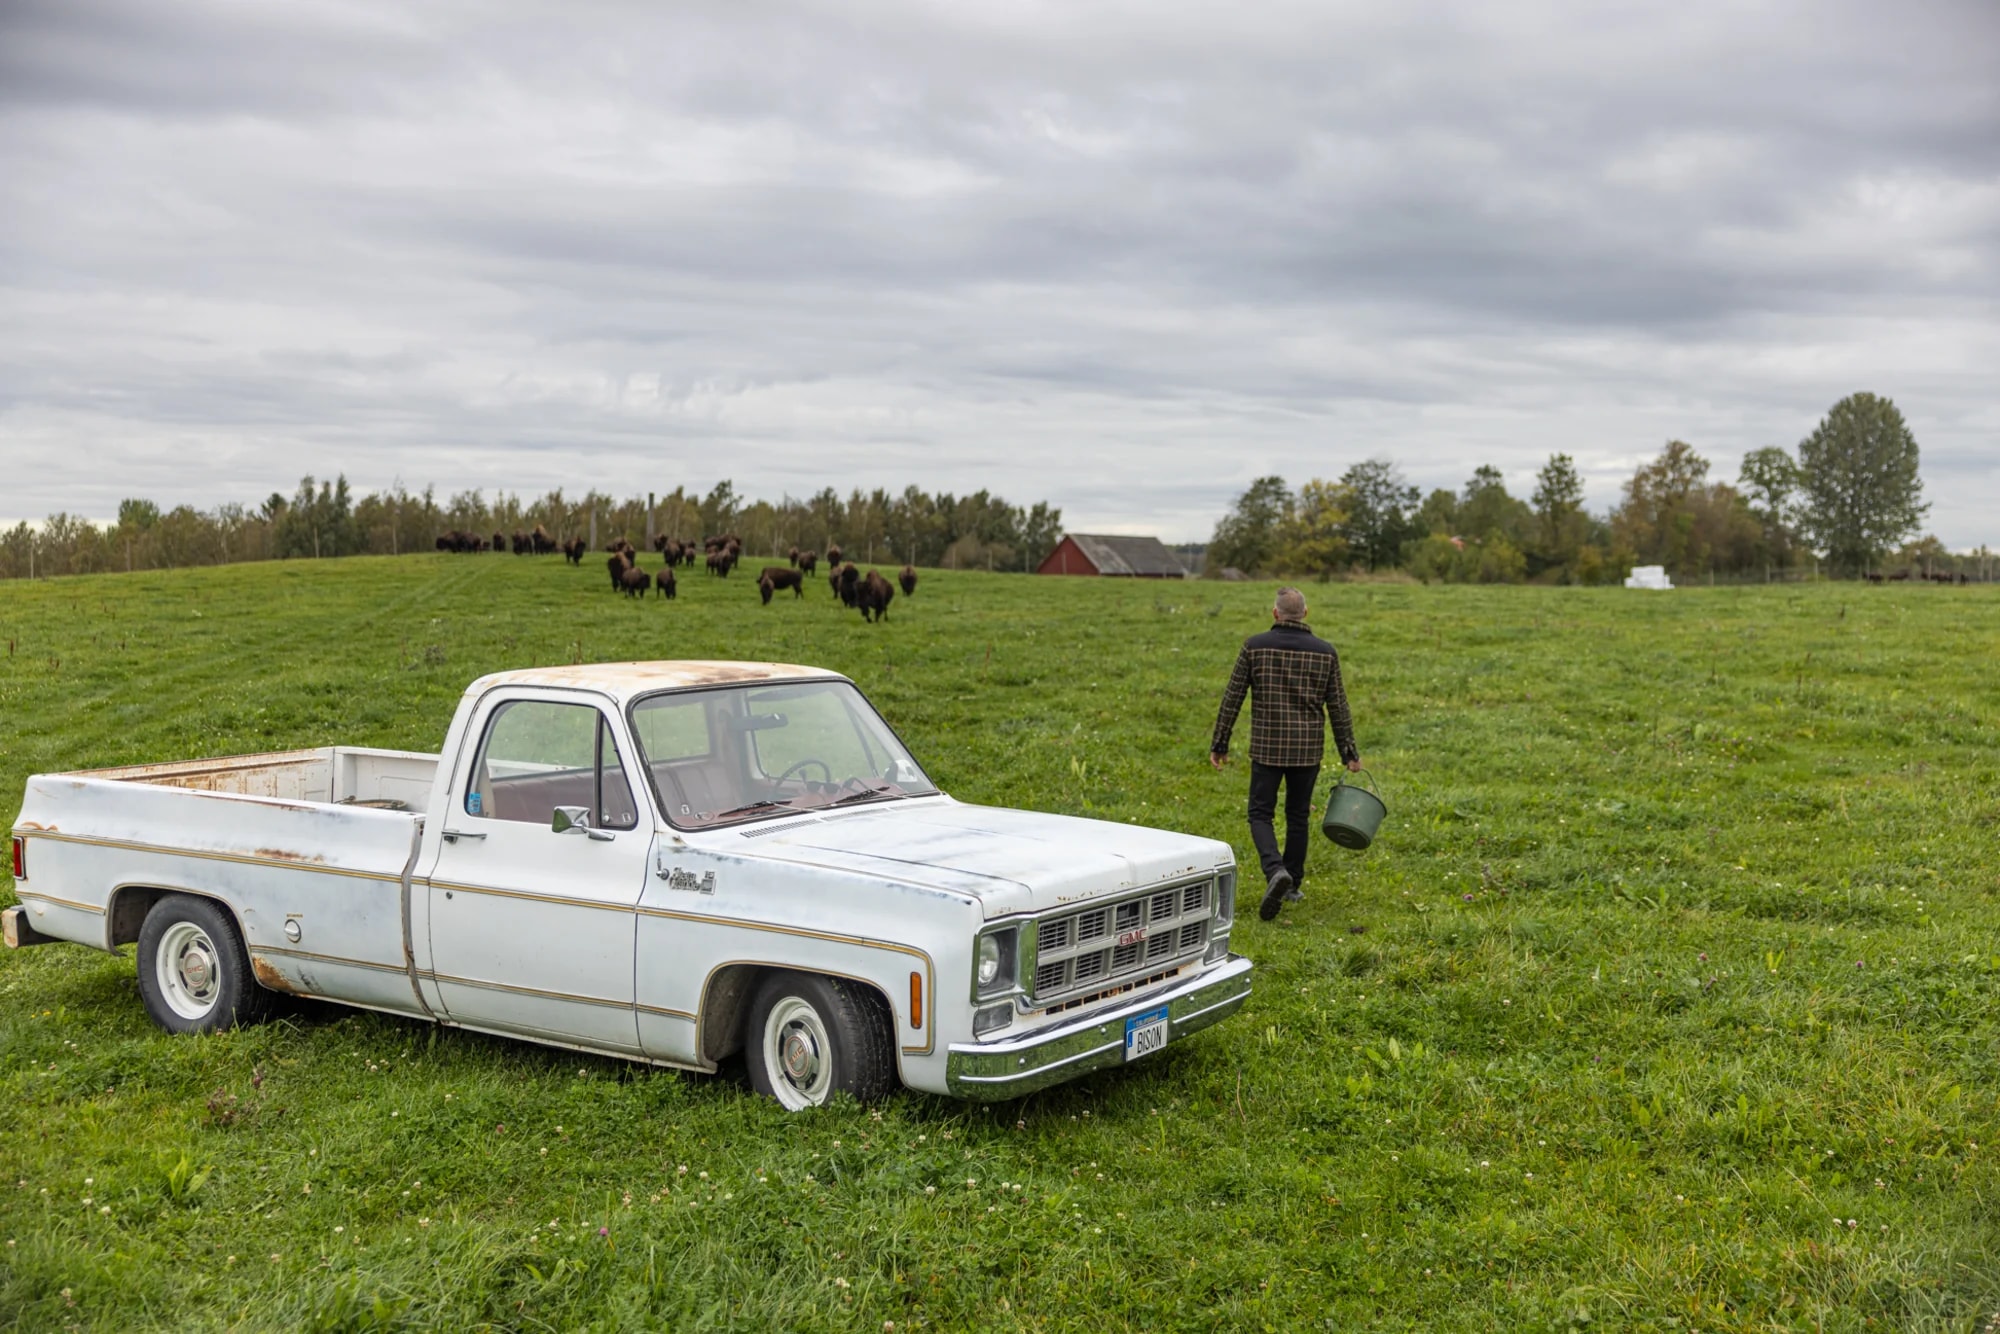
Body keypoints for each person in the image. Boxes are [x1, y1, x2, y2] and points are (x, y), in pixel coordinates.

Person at [1209, 586, 1361, 921]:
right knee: (1297, 815)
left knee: (1260, 814)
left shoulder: (1255, 646)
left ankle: (1275, 870)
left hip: (1267, 747)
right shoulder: (1325, 652)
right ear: (1305, 613)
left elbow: (1232, 698)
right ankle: (1291, 884)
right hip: (1307, 750)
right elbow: (1338, 706)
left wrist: (1220, 743)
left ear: (1275, 614)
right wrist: (1349, 751)